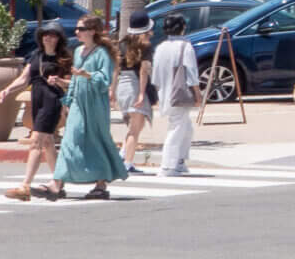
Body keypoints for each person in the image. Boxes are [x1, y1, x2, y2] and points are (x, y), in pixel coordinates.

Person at [54, 15, 128, 199]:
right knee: (70, 139)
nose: (77, 32)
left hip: (95, 103)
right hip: (79, 101)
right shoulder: (78, 51)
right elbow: (75, 79)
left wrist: (88, 75)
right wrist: (67, 97)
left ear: (92, 31)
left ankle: (101, 183)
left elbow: (105, 80)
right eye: (77, 29)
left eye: (81, 29)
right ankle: (58, 182)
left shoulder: (102, 53)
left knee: (96, 139)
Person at [0, 23, 72, 201]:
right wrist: (8, 89)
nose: (48, 38)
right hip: (37, 100)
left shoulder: (63, 59)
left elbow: (73, 82)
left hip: (52, 102)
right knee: (47, 143)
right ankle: (58, 183)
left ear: (58, 39)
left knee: (36, 141)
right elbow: (24, 79)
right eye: (45, 34)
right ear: (41, 37)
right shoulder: (36, 56)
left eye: (53, 35)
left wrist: (60, 81)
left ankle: (25, 185)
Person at [150, 14, 201, 179]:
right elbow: (191, 72)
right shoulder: (185, 46)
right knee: (177, 128)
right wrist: (197, 93)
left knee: (186, 127)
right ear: (183, 28)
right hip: (179, 93)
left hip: (164, 92)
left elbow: (155, 76)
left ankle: (179, 161)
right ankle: (167, 165)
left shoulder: (160, 47)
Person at [115, 15, 155, 174]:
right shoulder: (145, 46)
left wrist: (112, 90)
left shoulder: (122, 44)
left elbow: (115, 69)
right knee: (135, 129)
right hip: (135, 84)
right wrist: (141, 93)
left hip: (122, 85)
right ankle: (127, 163)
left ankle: (123, 154)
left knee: (135, 125)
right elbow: (144, 70)